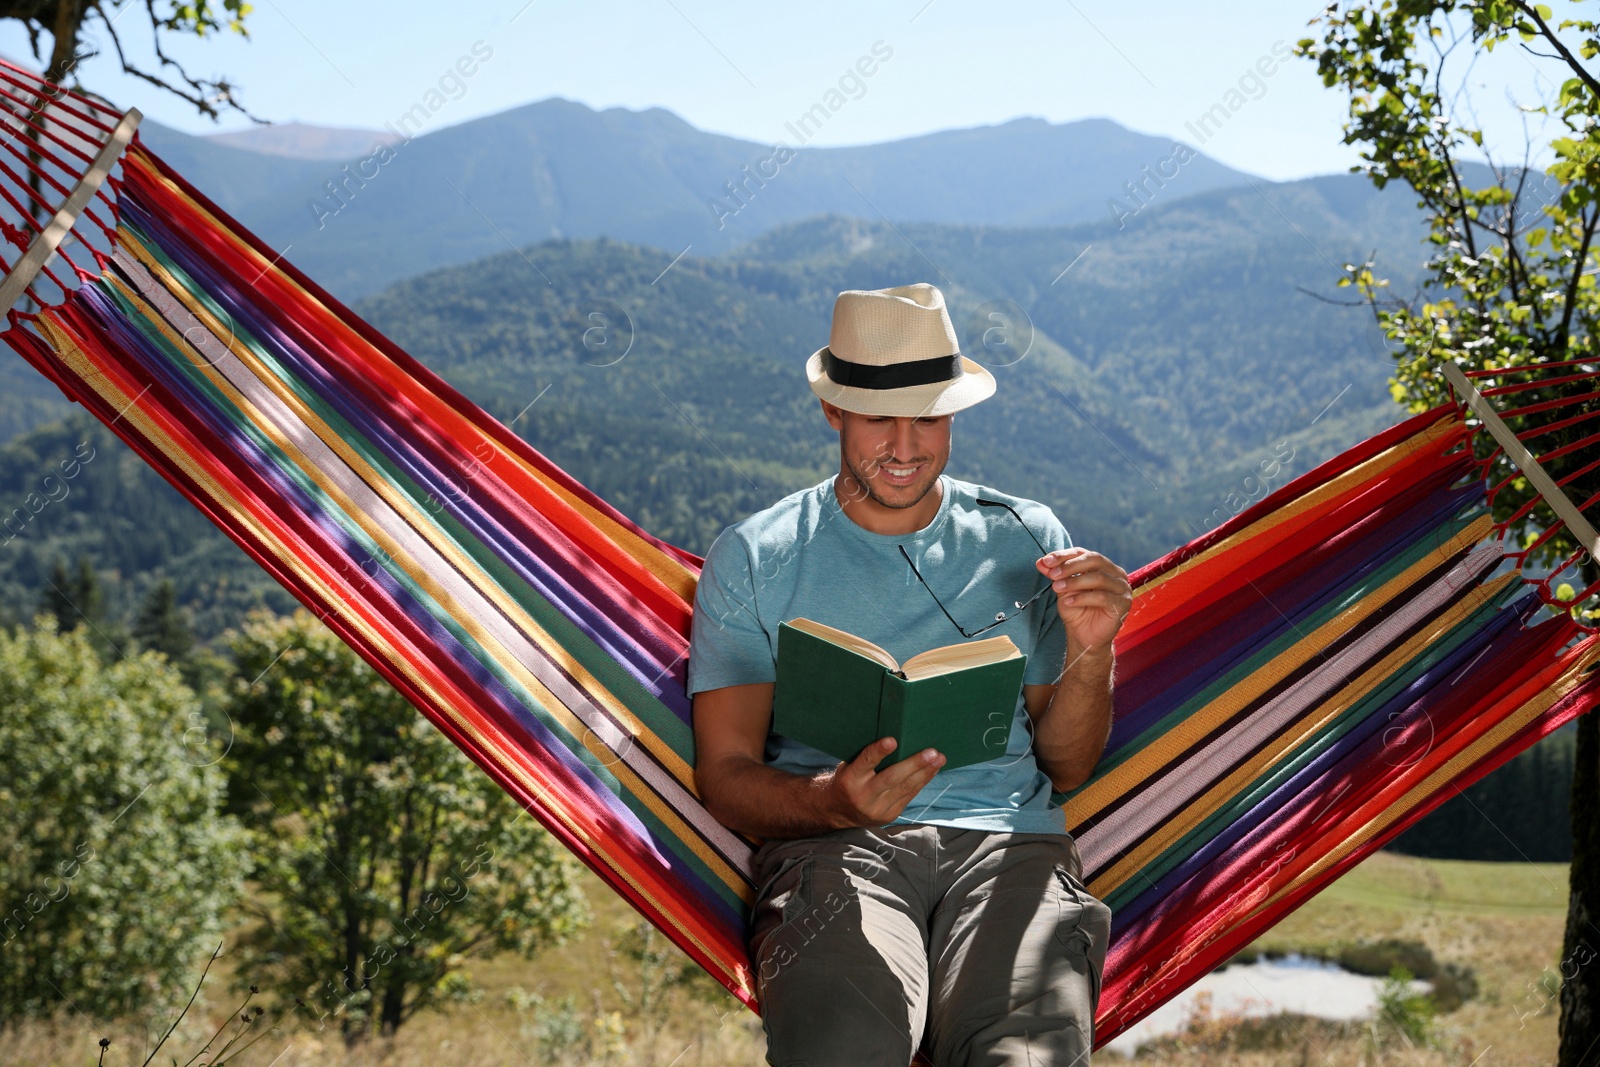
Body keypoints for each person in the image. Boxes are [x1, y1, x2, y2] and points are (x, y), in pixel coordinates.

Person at [686, 282, 1130, 1066]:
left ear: (953, 415)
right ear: (833, 413)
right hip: (834, 849)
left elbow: (1066, 764)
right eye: (878, 418)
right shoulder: (757, 555)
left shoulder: (1026, 537)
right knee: (843, 1049)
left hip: (1009, 846)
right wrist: (830, 802)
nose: (905, 444)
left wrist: (1093, 652)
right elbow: (724, 774)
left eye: (927, 416)